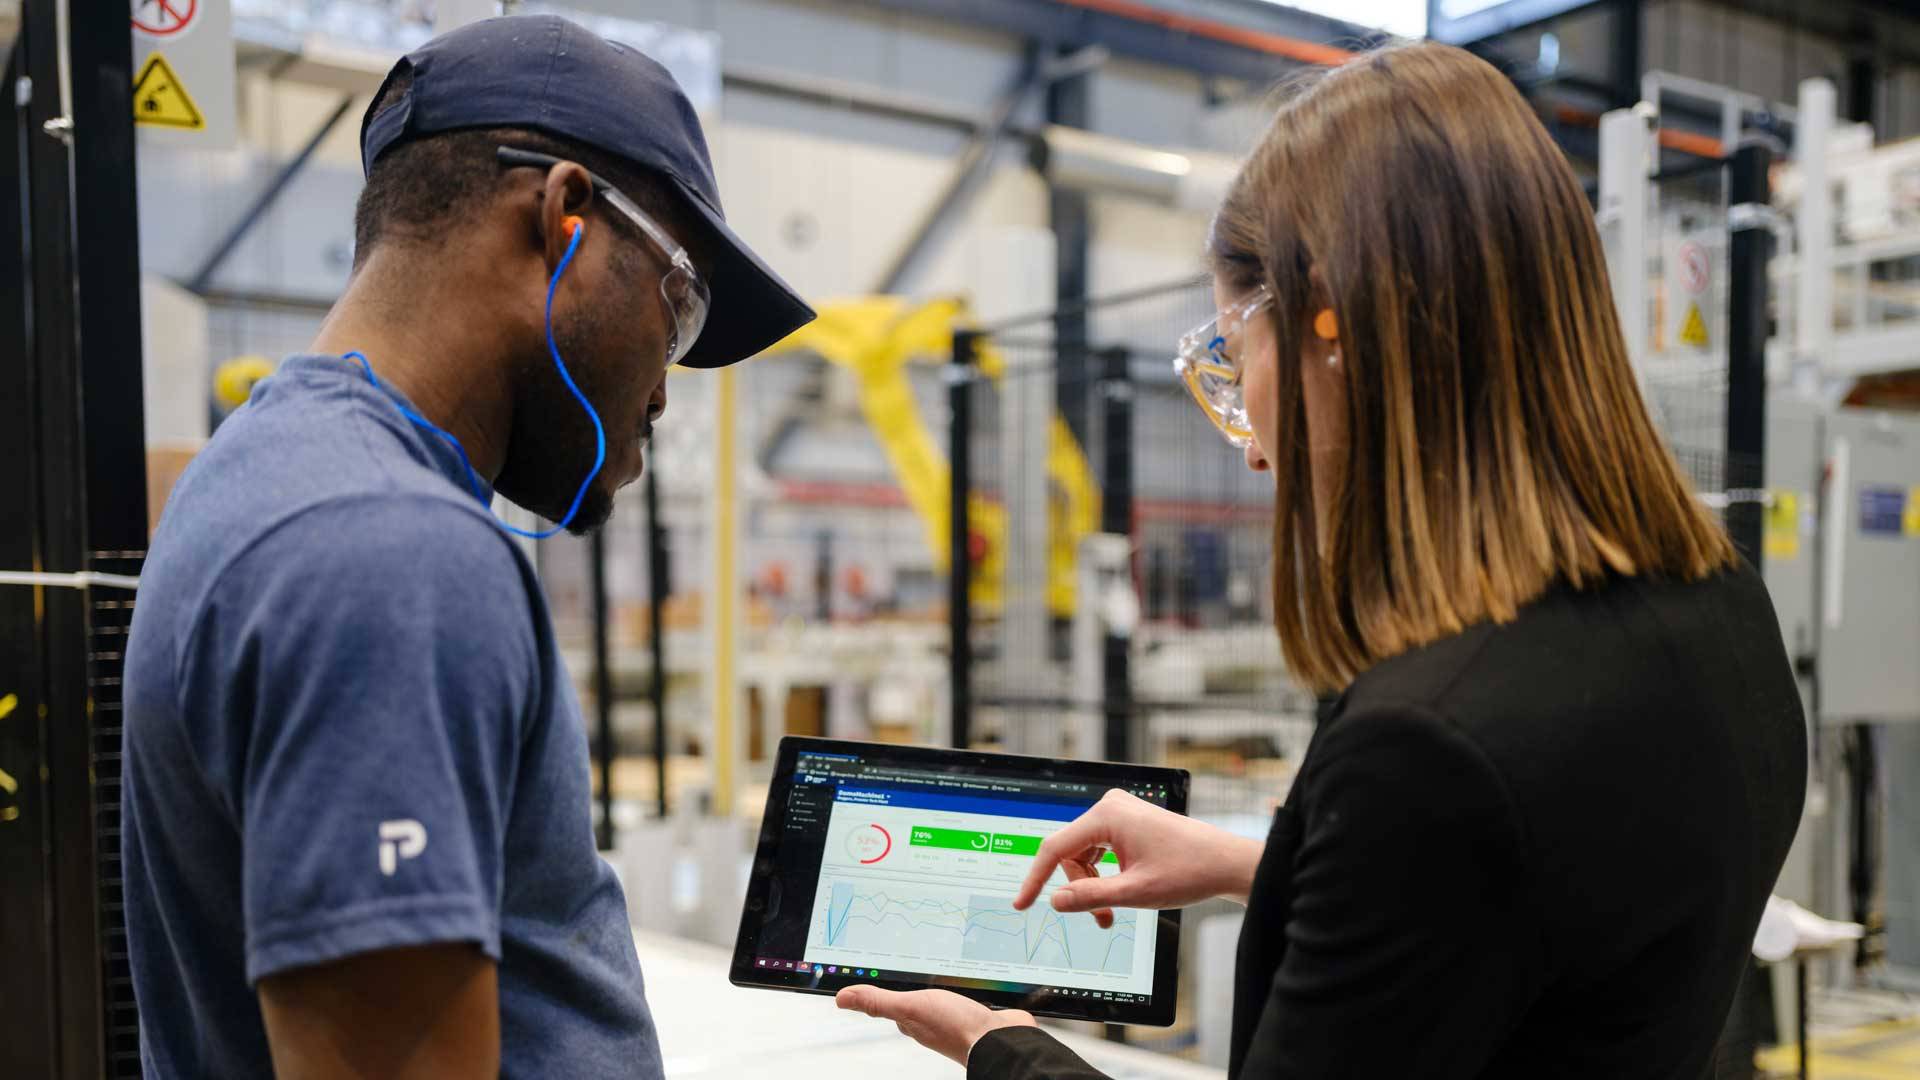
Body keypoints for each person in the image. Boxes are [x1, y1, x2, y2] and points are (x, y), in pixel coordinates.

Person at [836, 40, 1806, 1079]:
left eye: (1234, 356)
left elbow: (1472, 838)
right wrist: (1258, 865)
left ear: (1332, 329)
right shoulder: (1721, 610)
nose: (1253, 445)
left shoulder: (1429, 748)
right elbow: (1548, 907)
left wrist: (1005, 1049)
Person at [122, 15, 813, 1077]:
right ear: (564, 216)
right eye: (677, 308)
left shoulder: (269, 462)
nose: (669, 385)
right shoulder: (390, 552)